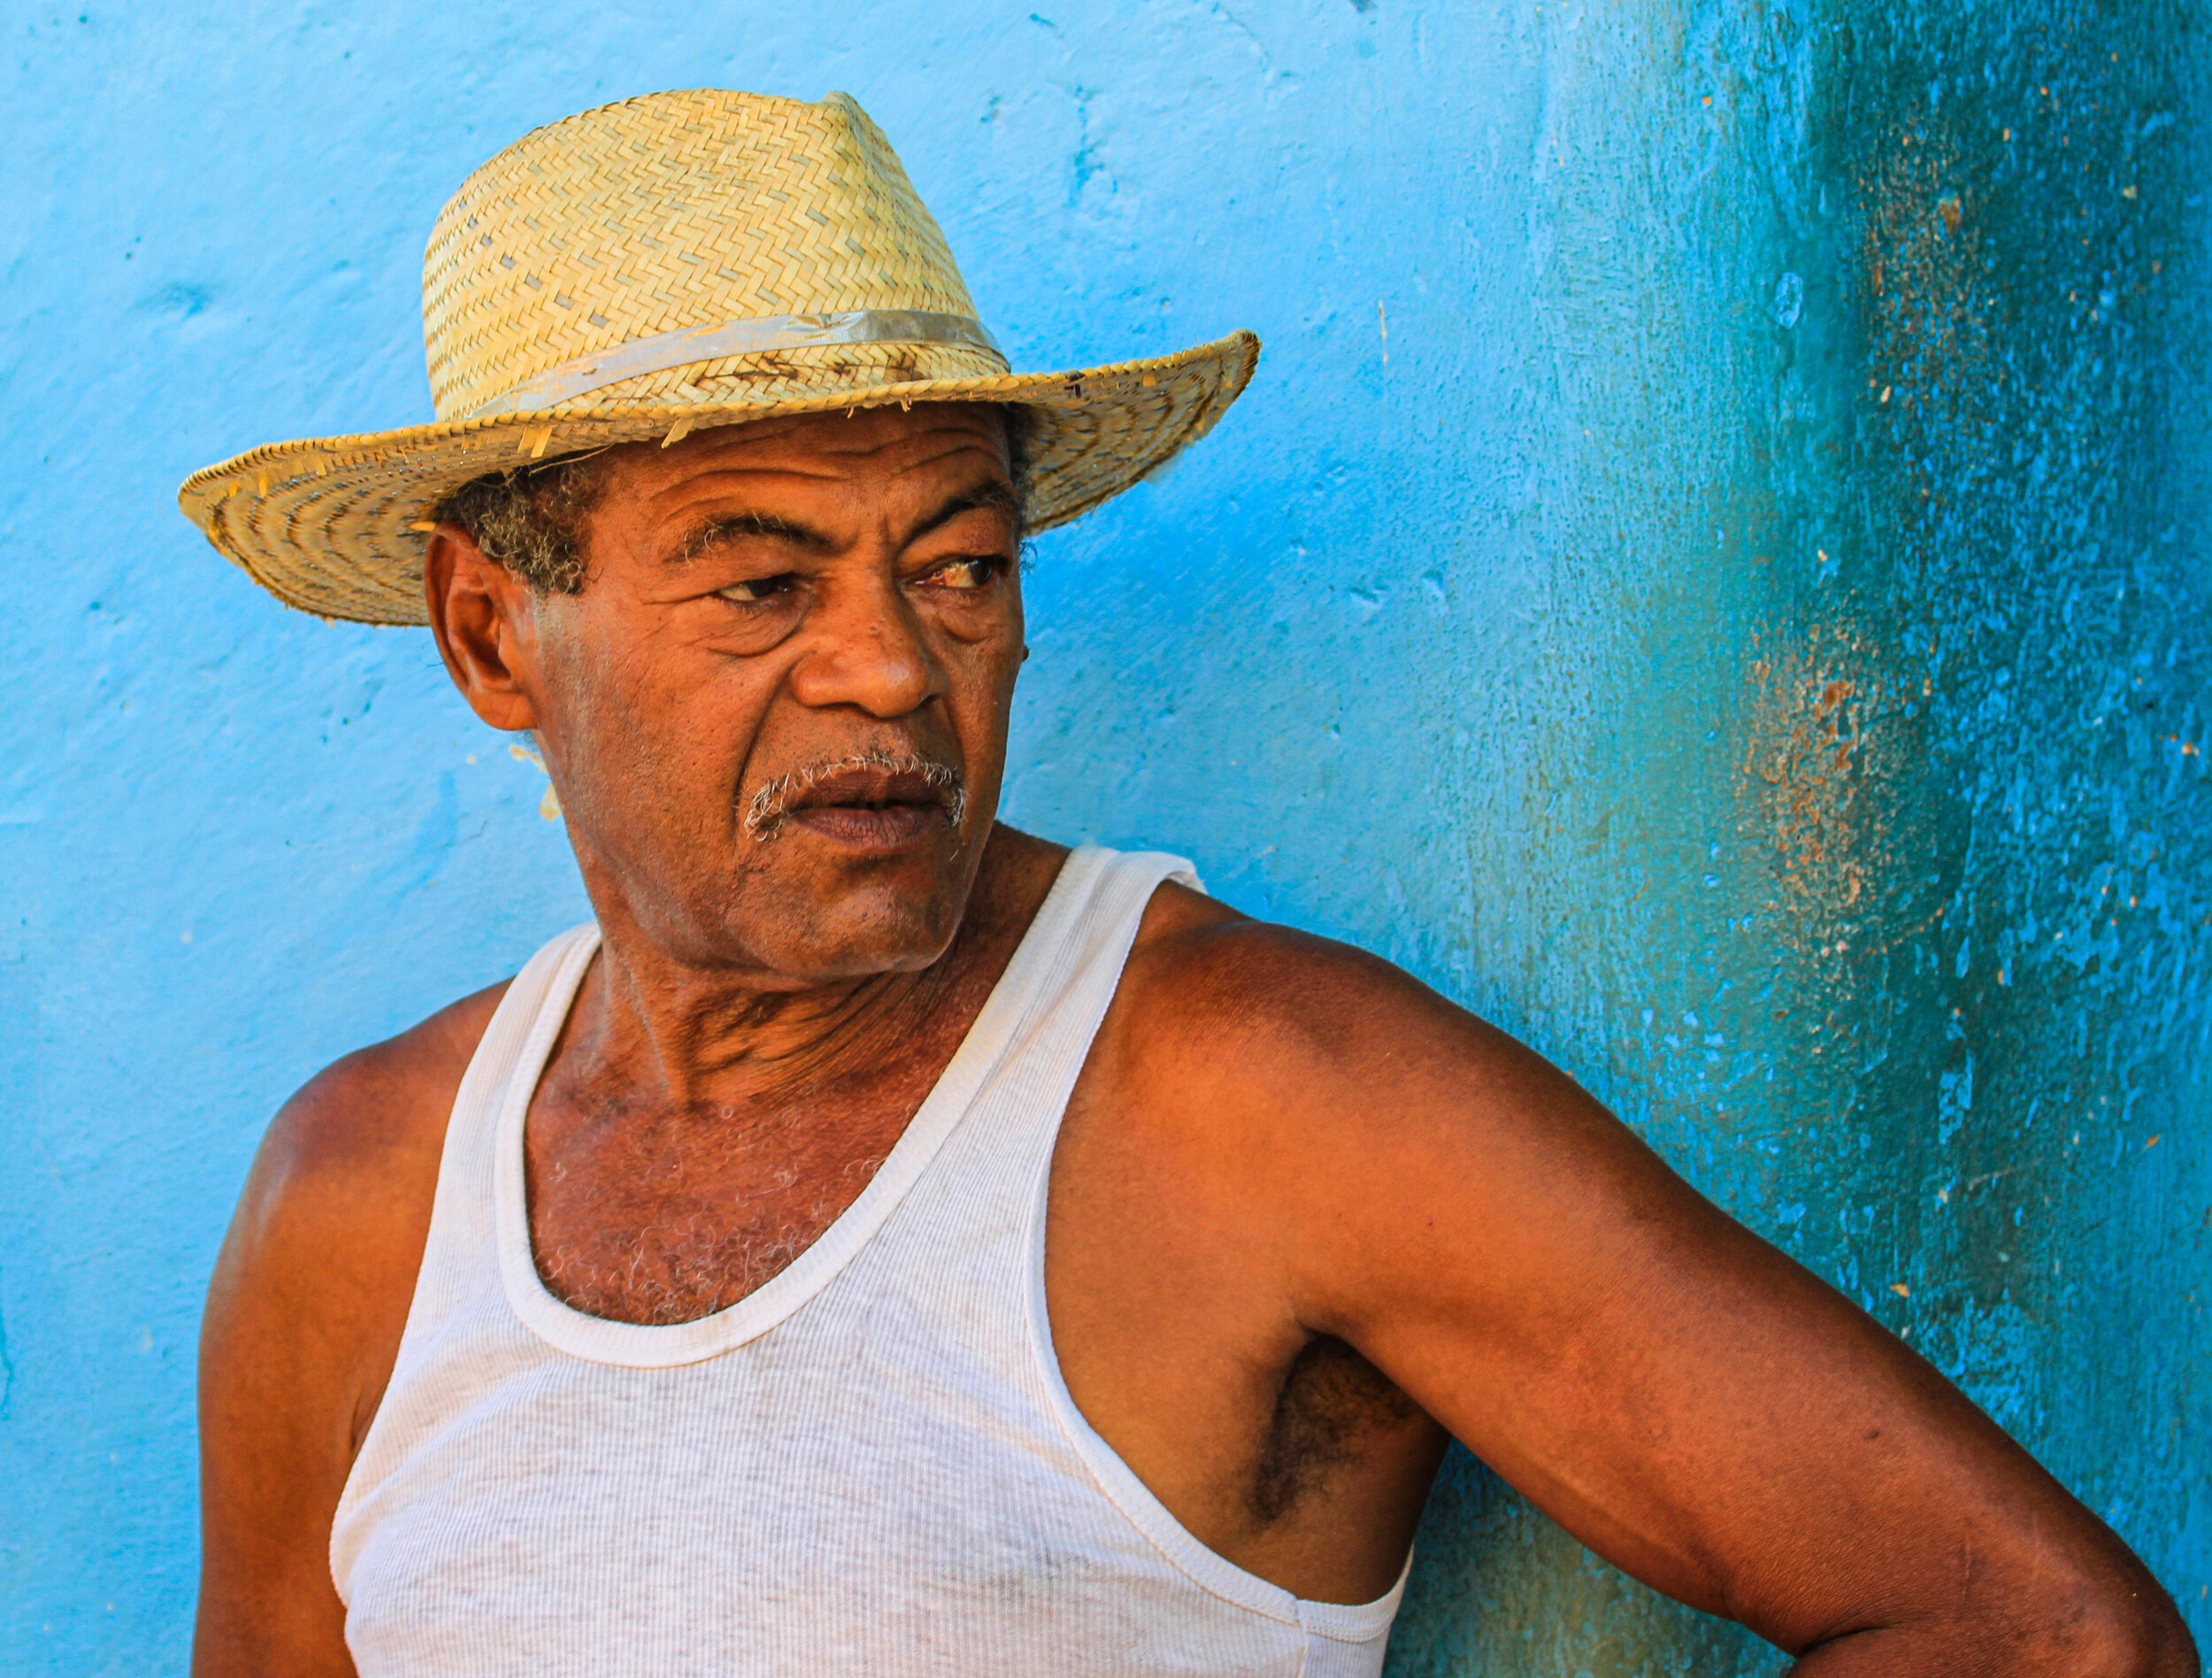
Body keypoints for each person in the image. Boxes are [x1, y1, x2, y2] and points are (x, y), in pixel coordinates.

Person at [180, 89, 2195, 1678]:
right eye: (761, 580)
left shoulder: (1253, 1097)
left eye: (957, 566)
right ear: (487, 636)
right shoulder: (361, 1205)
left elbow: (2030, 1632)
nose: (892, 664)